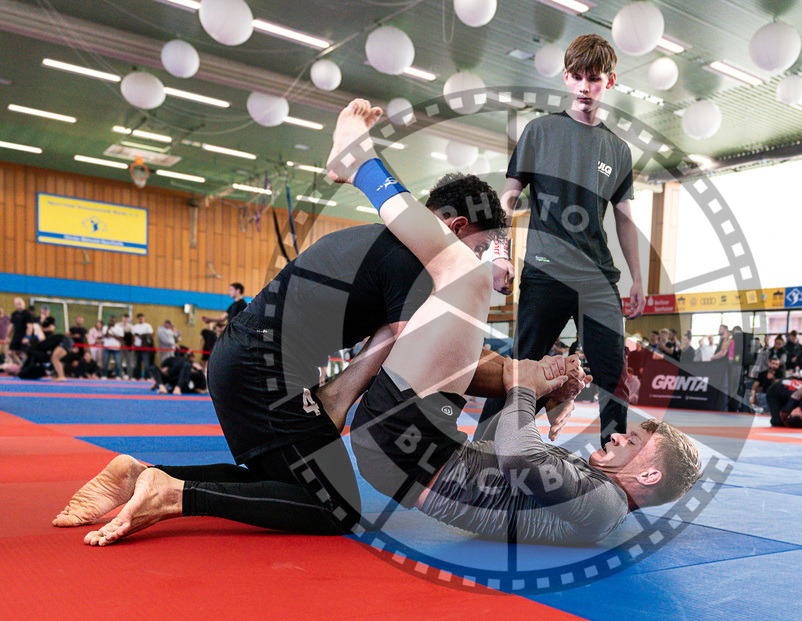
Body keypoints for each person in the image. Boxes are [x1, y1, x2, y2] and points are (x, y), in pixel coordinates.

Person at [57, 100, 699, 547]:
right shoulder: (420, 262)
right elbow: (444, 367)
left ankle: (143, 477)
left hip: (264, 371)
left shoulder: (396, 253)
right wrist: (526, 377)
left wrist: (531, 384)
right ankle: (171, 494)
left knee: (307, 495)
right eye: (482, 243)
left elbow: (423, 359)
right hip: (266, 374)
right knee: (330, 502)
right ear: (456, 225)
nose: (482, 258)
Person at [477, 33, 645, 443]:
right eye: (580, 77)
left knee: (612, 374)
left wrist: (637, 278)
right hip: (545, 272)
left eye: (596, 78)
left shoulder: (618, 150)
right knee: (520, 368)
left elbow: (624, 220)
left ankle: (613, 460)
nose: (587, 87)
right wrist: (498, 254)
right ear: (567, 79)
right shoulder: (540, 131)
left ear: (611, 80)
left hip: (598, 278)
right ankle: (481, 449)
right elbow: (509, 198)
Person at [2, 316, 71, 381]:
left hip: (64, 340)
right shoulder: (31, 354)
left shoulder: (32, 351)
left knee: (54, 358)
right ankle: (61, 376)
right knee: (54, 358)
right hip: (63, 340)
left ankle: (61, 376)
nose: (14, 365)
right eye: (12, 366)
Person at [6, 298, 32, 365]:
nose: (19, 305)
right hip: (16, 336)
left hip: (23, 336)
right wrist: (7, 337)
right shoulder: (14, 314)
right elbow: (11, 326)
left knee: (23, 354)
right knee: (10, 353)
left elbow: (30, 327)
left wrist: (27, 337)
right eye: (17, 304)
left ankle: (27, 366)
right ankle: (20, 366)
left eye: (20, 303)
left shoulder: (27, 314)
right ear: (15, 305)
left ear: (23, 304)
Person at [131, 313, 154, 381]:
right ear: (137, 319)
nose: (140, 319)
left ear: (144, 318)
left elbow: (150, 335)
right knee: (137, 363)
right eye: (139, 318)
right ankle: (137, 377)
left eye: (142, 318)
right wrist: (133, 344)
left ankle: (147, 377)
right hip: (137, 346)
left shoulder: (148, 326)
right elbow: (133, 337)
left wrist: (142, 336)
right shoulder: (135, 327)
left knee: (146, 363)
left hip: (145, 347)